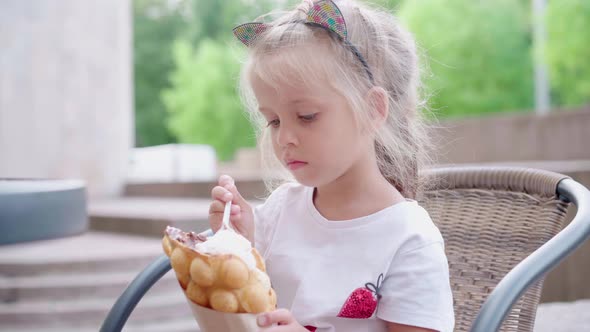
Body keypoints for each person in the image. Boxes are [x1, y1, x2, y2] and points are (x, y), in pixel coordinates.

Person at [208, 0, 454, 331]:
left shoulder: (408, 237)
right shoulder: (280, 211)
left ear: (372, 110)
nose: (285, 138)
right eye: (274, 121)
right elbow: (249, 308)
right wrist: (237, 244)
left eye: (306, 116)